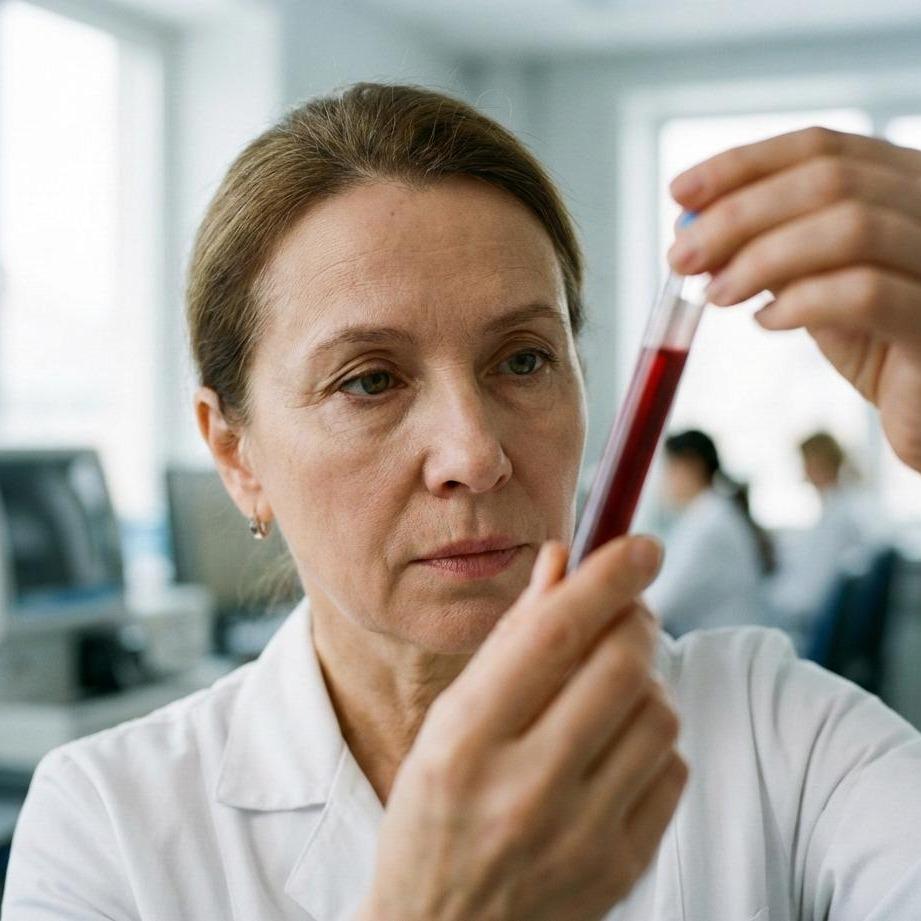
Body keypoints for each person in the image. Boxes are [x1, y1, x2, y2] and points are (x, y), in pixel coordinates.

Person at [5, 83, 921, 920]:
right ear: (234, 453)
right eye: (369, 380)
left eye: (522, 359)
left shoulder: (784, 740)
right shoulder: (106, 826)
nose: (475, 455)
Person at [645, 429, 773, 636]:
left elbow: (659, 604)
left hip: (727, 647)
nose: (662, 482)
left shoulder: (709, 525)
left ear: (690, 467)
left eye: (667, 468)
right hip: (720, 640)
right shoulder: (708, 513)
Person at [768, 431, 885, 646]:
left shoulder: (839, 517)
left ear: (817, 463)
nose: (802, 470)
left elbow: (808, 595)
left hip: (811, 625)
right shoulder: (840, 508)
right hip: (814, 618)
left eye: (804, 462)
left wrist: (764, 597)